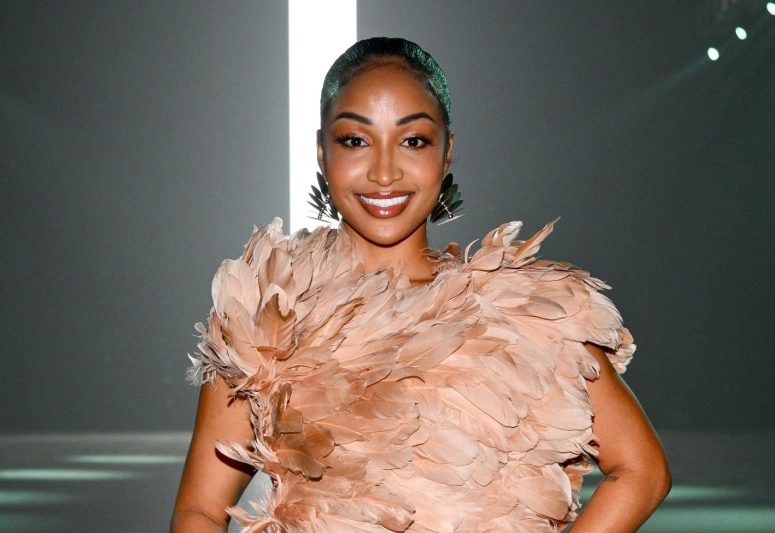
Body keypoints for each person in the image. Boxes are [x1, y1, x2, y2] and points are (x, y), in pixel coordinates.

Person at [172, 37, 671, 532]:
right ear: (322, 152)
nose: (384, 172)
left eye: (413, 141)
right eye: (355, 140)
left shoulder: (525, 312)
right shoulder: (268, 311)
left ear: (447, 151)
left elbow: (642, 472)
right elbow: (201, 510)